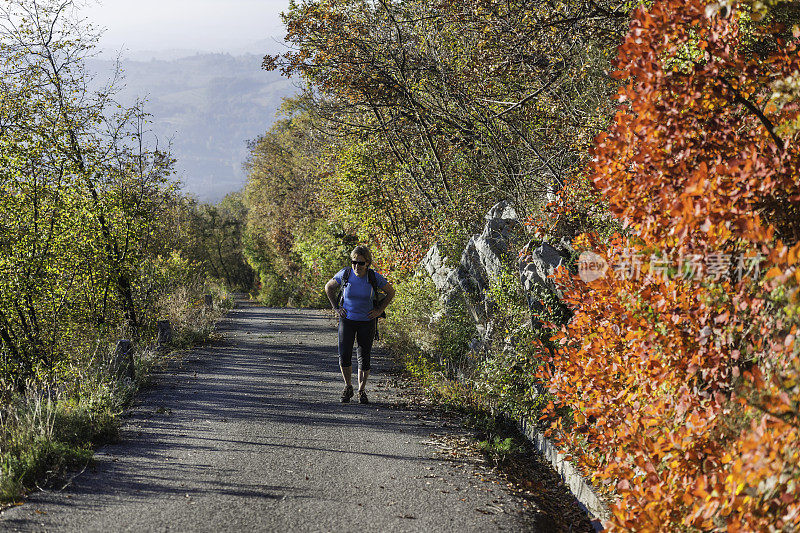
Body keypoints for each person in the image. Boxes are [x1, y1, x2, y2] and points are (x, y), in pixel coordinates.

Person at [324, 245, 395, 404]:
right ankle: (348, 387)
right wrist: (336, 307)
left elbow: (391, 292)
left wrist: (379, 310)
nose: (356, 266)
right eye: (354, 262)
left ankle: (361, 391)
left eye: (360, 263)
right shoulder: (346, 274)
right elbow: (328, 287)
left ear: (367, 263)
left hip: (367, 321)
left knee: (364, 358)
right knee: (344, 355)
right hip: (347, 320)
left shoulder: (373, 277)